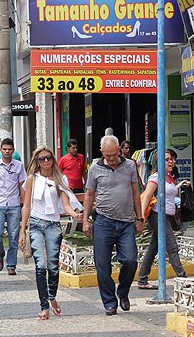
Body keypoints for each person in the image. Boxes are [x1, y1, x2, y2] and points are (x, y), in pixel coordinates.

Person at [82, 135, 144, 316]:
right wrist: (85, 220)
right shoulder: (95, 168)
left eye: (114, 154)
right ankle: (110, 302)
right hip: (103, 221)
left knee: (131, 260)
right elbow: (89, 195)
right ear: (102, 152)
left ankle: (123, 292)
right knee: (102, 265)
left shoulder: (130, 166)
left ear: (119, 150)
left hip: (126, 223)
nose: (111, 158)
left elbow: (135, 192)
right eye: (107, 155)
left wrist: (139, 218)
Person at [19, 147, 83, 320]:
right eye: (42, 159)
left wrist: (77, 214)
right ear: (37, 161)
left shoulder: (60, 179)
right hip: (36, 224)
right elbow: (26, 205)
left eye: (48, 158)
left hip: (54, 225)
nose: (46, 161)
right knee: (40, 266)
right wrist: (22, 231)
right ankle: (44, 306)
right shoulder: (32, 178)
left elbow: (66, 204)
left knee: (53, 267)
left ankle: (52, 297)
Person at [137, 150, 189, 289]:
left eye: (172, 159)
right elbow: (147, 196)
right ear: (159, 162)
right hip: (157, 215)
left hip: (166, 216)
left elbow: (169, 193)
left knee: (153, 248)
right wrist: (141, 218)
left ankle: (142, 279)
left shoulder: (169, 177)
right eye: (167, 159)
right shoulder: (155, 177)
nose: (171, 162)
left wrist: (180, 185)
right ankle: (182, 278)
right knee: (172, 246)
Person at [0, 138, 27, 275]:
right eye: (4, 149)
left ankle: (11, 264)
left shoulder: (19, 166)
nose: (7, 152)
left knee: (14, 236)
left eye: (9, 149)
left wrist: (25, 205)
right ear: (0, 150)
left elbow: (22, 186)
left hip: (14, 204)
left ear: (13, 150)